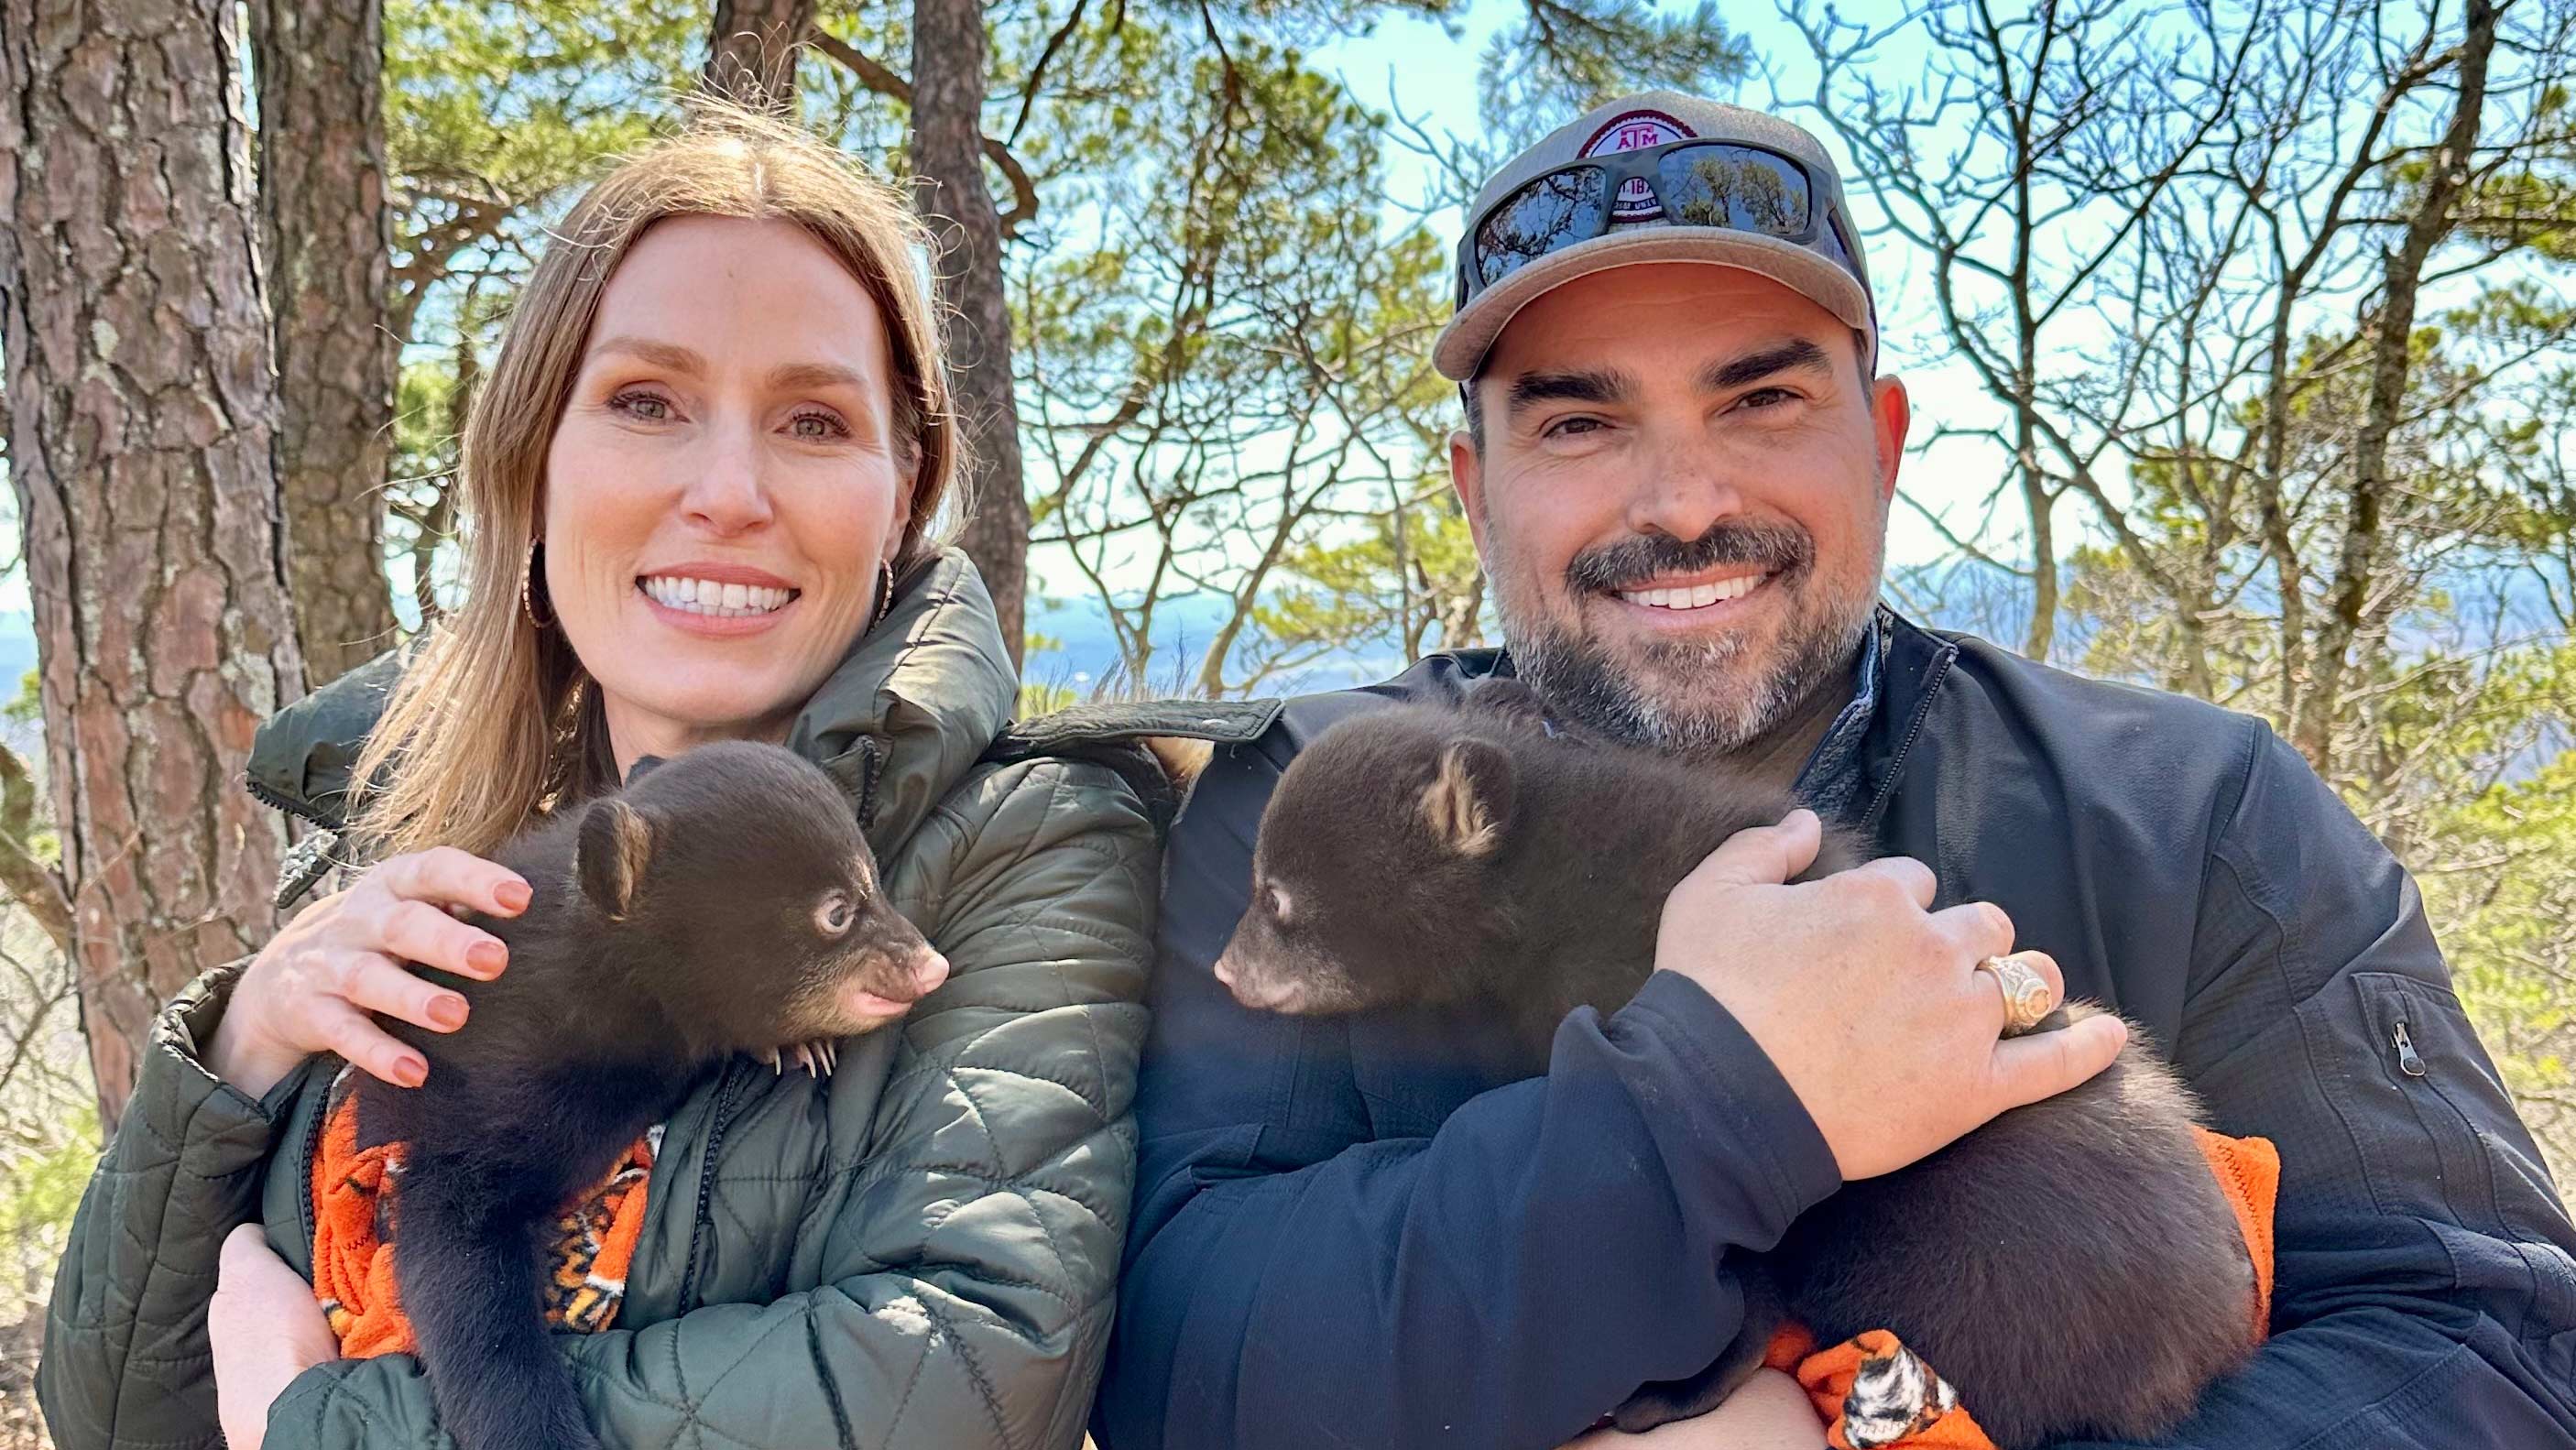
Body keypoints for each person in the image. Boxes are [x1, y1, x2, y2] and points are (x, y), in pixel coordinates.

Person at [1092, 91, 2576, 1449]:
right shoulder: (1311, 804)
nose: (1681, 503)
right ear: (1479, 488)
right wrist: (1701, 1110)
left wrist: (1874, 1436)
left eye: (1761, 400)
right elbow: (1175, 1365)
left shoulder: (2195, 819)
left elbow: (2491, 1353)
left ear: (1881, 440)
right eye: (1578, 421)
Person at [38, 106, 1155, 1450]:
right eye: (646, 402)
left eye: (812, 419)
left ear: (903, 485)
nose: (728, 490)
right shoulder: (409, 841)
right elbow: (108, 1417)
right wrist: (241, 1050)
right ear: (535, 456)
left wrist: (309, 1425)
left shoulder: (1016, 852)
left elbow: (964, 1379)